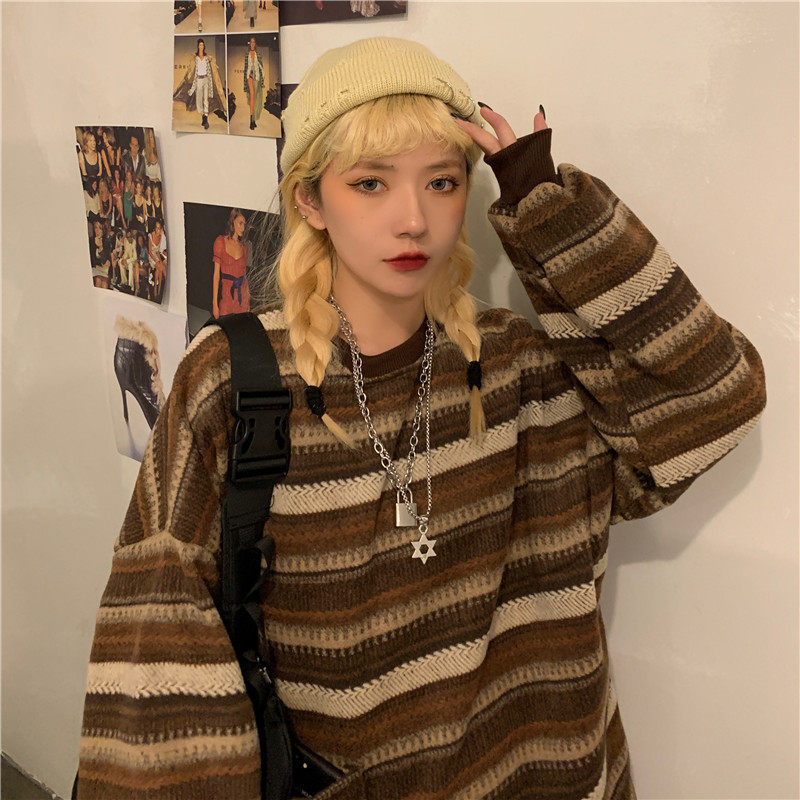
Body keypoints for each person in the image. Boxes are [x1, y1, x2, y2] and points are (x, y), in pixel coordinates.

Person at [75, 36, 766, 800]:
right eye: (370, 183)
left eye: (441, 182)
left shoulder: (520, 371)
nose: (413, 219)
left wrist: (546, 205)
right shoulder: (233, 382)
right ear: (310, 200)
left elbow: (714, 401)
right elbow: (157, 665)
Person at [212, 207, 250, 316]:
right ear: (232, 222)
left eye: (244, 224)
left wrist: (248, 303)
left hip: (243, 301)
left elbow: (244, 277)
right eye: (240, 223)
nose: (243, 228)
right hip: (226, 300)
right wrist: (214, 304)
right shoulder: (220, 242)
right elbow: (216, 276)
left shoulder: (244, 248)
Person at [243, 36, 265, 130]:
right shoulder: (247, 55)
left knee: (255, 100)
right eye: (251, 42)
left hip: (257, 78)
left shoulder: (258, 55)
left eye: (253, 42)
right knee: (252, 96)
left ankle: (253, 120)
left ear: (255, 44)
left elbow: (261, 68)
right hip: (250, 77)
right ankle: (251, 121)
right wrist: (244, 83)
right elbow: (245, 69)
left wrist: (262, 81)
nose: (252, 44)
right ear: (249, 44)